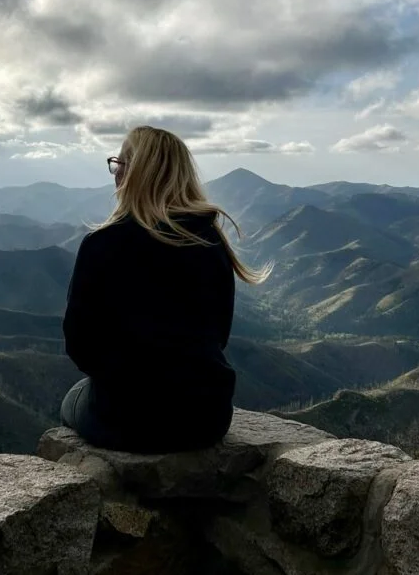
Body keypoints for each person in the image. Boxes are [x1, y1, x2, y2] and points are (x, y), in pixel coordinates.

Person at [59, 125, 270, 453]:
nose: (116, 173)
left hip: (128, 420)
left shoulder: (103, 244)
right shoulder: (210, 240)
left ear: (138, 174)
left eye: (121, 164)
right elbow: (218, 334)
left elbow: (80, 344)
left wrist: (124, 375)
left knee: (74, 396)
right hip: (206, 418)